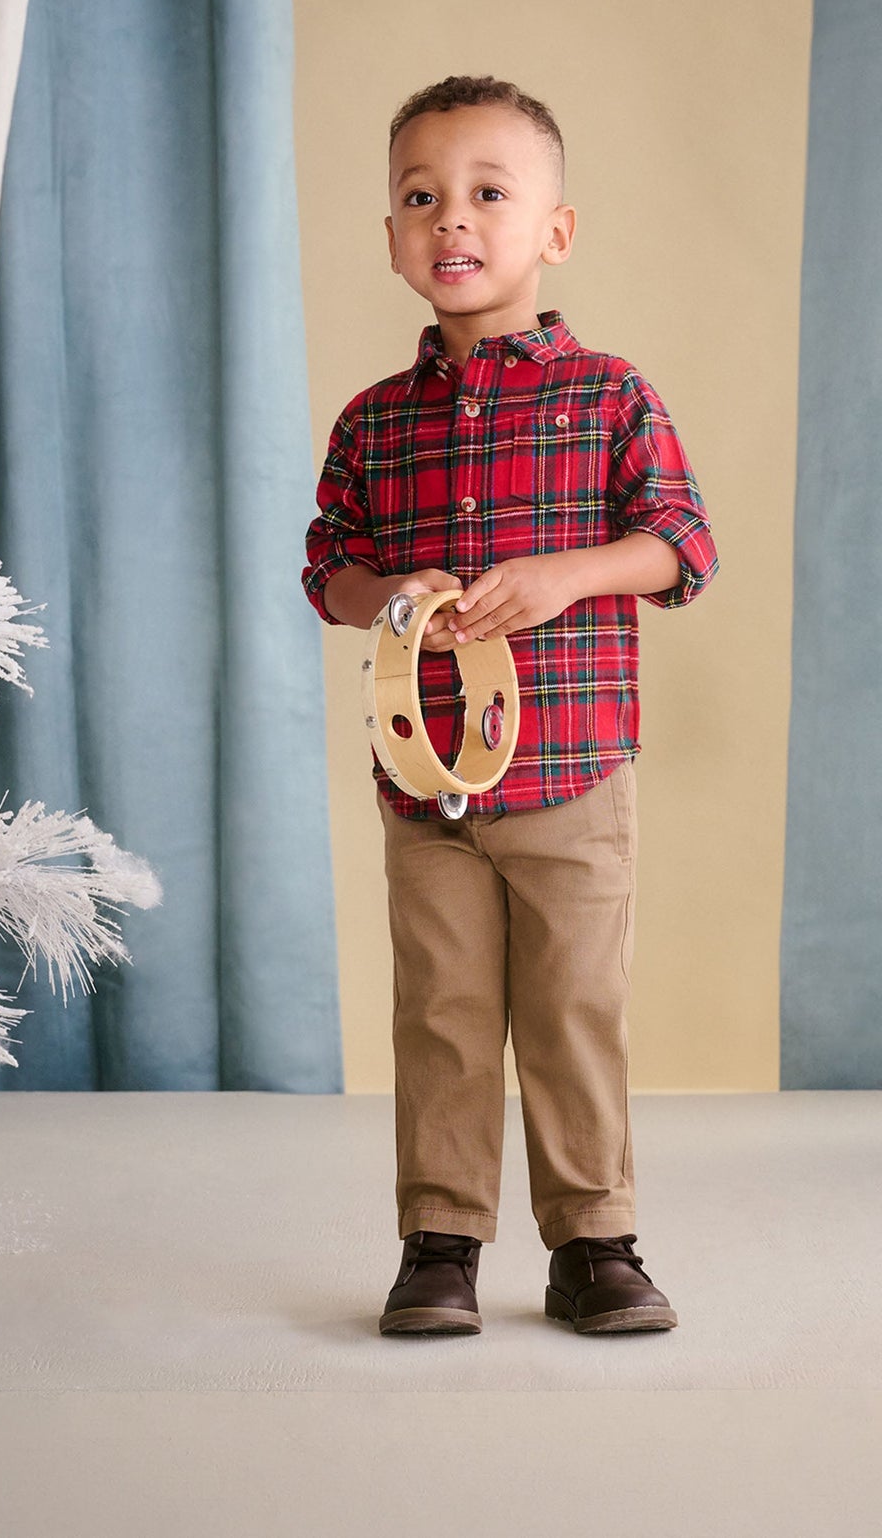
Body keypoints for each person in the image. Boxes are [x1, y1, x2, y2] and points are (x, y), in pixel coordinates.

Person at [302, 74, 718, 1336]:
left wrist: (561, 578)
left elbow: (682, 549)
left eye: (487, 193)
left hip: (572, 775)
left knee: (571, 1009)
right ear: (389, 240)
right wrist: (394, 591)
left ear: (554, 229)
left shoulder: (608, 397)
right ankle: (439, 1243)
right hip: (424, 780)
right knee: (438, 1012)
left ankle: (595, 1242)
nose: (451, 221)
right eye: (420, 198)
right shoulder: (374, 424)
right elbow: (327, 568)